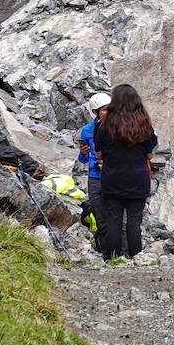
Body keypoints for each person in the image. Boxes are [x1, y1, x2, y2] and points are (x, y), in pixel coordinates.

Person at [94, 84, 157, 261]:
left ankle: (113, 257)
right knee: (134, 220)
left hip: (112, 177)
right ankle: (135, 256)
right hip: (137, 177)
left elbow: (99, 153)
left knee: (114, 219)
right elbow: (150, 154)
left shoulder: (104, 126)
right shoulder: (144, 125)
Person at [77, 91, 112, 252]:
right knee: (100, 216)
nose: (108, 112)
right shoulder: (87, 130)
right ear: (95, 112)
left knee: (117, 216)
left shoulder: (118, 127)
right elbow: (83, 160)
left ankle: (122, 252)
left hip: (113, 176)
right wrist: (83, 152)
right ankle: (107, 252)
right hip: (95, 177)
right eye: (104, 109)